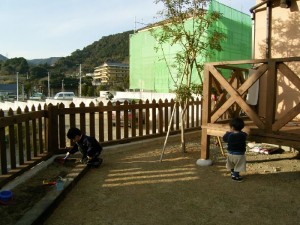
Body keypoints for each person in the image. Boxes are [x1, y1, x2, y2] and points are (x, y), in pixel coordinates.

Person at [223, 117, 247, 182]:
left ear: (232, 128)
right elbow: (245, 135)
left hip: (230, 153)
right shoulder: (243, 135)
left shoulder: (229, 135)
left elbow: (224, 139)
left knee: (232, 164)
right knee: (238, 165)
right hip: (239, 154)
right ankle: (235, 175)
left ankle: (233, 174)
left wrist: (227, 133)